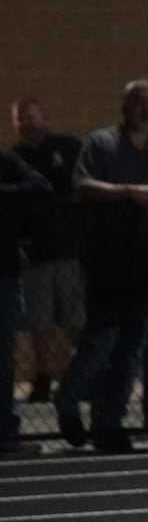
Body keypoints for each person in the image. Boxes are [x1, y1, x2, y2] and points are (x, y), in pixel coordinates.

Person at [58, 79, 148, 452]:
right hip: (108, 257)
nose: (146, 107)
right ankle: (68, 399)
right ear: (125, 106)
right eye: (139, 101)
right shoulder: (102, 143)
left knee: (133, 347)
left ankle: (109, 422)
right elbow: (82, 184)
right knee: (102, 341)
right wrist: (131, 193)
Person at [9, 97, 85, 406]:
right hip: (36, 253)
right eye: (21, 119)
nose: (28, 123)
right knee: (40, 321)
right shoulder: (14, 159)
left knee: (76, 318)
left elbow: (84, 189)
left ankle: (81, 375)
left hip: (70, 250)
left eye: (32, 117)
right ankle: (43, 378)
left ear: (44, 117)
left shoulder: (67, 149)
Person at [0, 148, 51, 443]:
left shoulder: (6, 161)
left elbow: (39, 187)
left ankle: (6, 426)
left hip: (5, 274)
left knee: (5, 355)